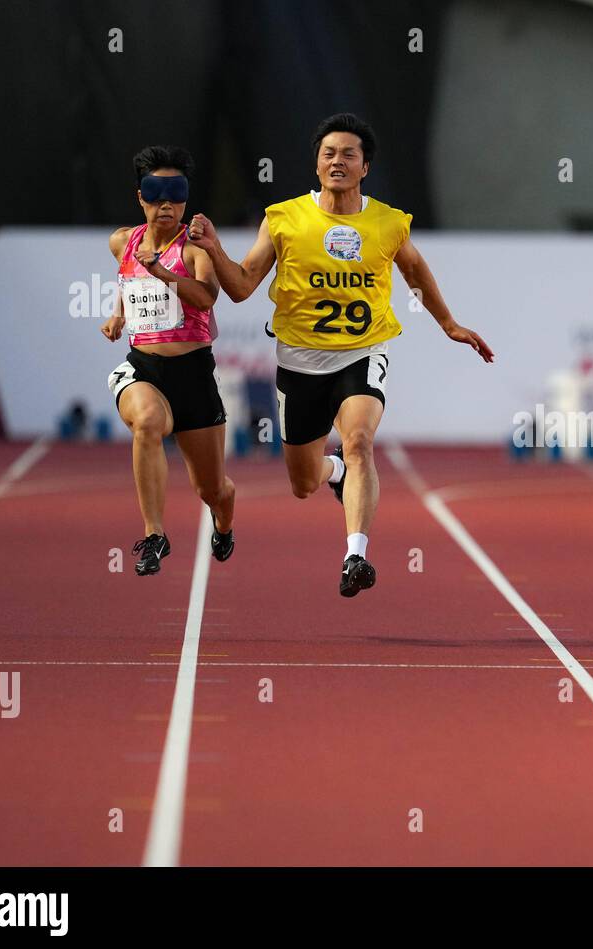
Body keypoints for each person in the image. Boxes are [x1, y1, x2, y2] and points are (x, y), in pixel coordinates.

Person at [187, 113, 494, 597]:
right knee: (304, 481)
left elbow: (414, 271)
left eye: (349, 154)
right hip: (299, 360)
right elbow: (243, 286)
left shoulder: (388, 222)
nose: (337, 161)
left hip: (363, 351)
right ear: (316, 164)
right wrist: (215, 248)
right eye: (329, 153)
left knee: (359, 440)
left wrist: (449, 324)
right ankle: (338, 474)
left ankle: (356, 555)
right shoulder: (283, 218)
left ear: (365, 166)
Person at [101, 146, 235, 576]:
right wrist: (119, 312)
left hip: (193, 374)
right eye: (156, 192)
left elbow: (206, 296)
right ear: (140, 196)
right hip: (144, 368)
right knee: (147, 424)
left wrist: (161, 271)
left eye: (176, 193)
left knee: (212, 489)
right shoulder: (123, 240)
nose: (166, 203)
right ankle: (155, 534)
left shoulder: (193, 249)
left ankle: (224, 523)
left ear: (186, 198)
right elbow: (128, 278)